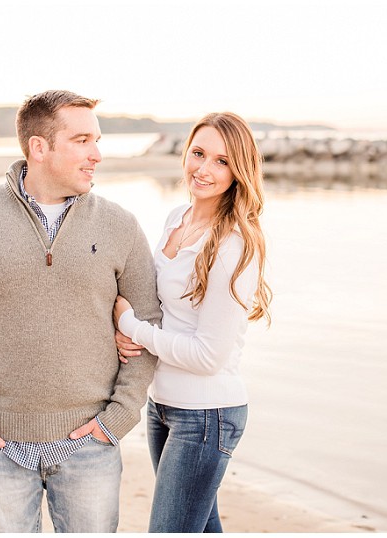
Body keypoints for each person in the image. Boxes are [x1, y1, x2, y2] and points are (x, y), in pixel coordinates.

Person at [0, 90, 162, 533]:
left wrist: (121, 414)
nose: (97, 155)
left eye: (98, 140)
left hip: (91, 442)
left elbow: (148, 322)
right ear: (39, 147)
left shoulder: (120, 224)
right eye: (83, 140)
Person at [112, 111, 272, 533]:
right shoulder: (176, 219)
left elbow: (208, 356)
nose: (204, 169)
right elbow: (165, 313)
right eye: (198, 153)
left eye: (221, 161)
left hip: (207, 413)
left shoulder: (235, 244)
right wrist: (127, 334)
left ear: (239, 171)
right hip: (163, 405)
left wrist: (133, 329)